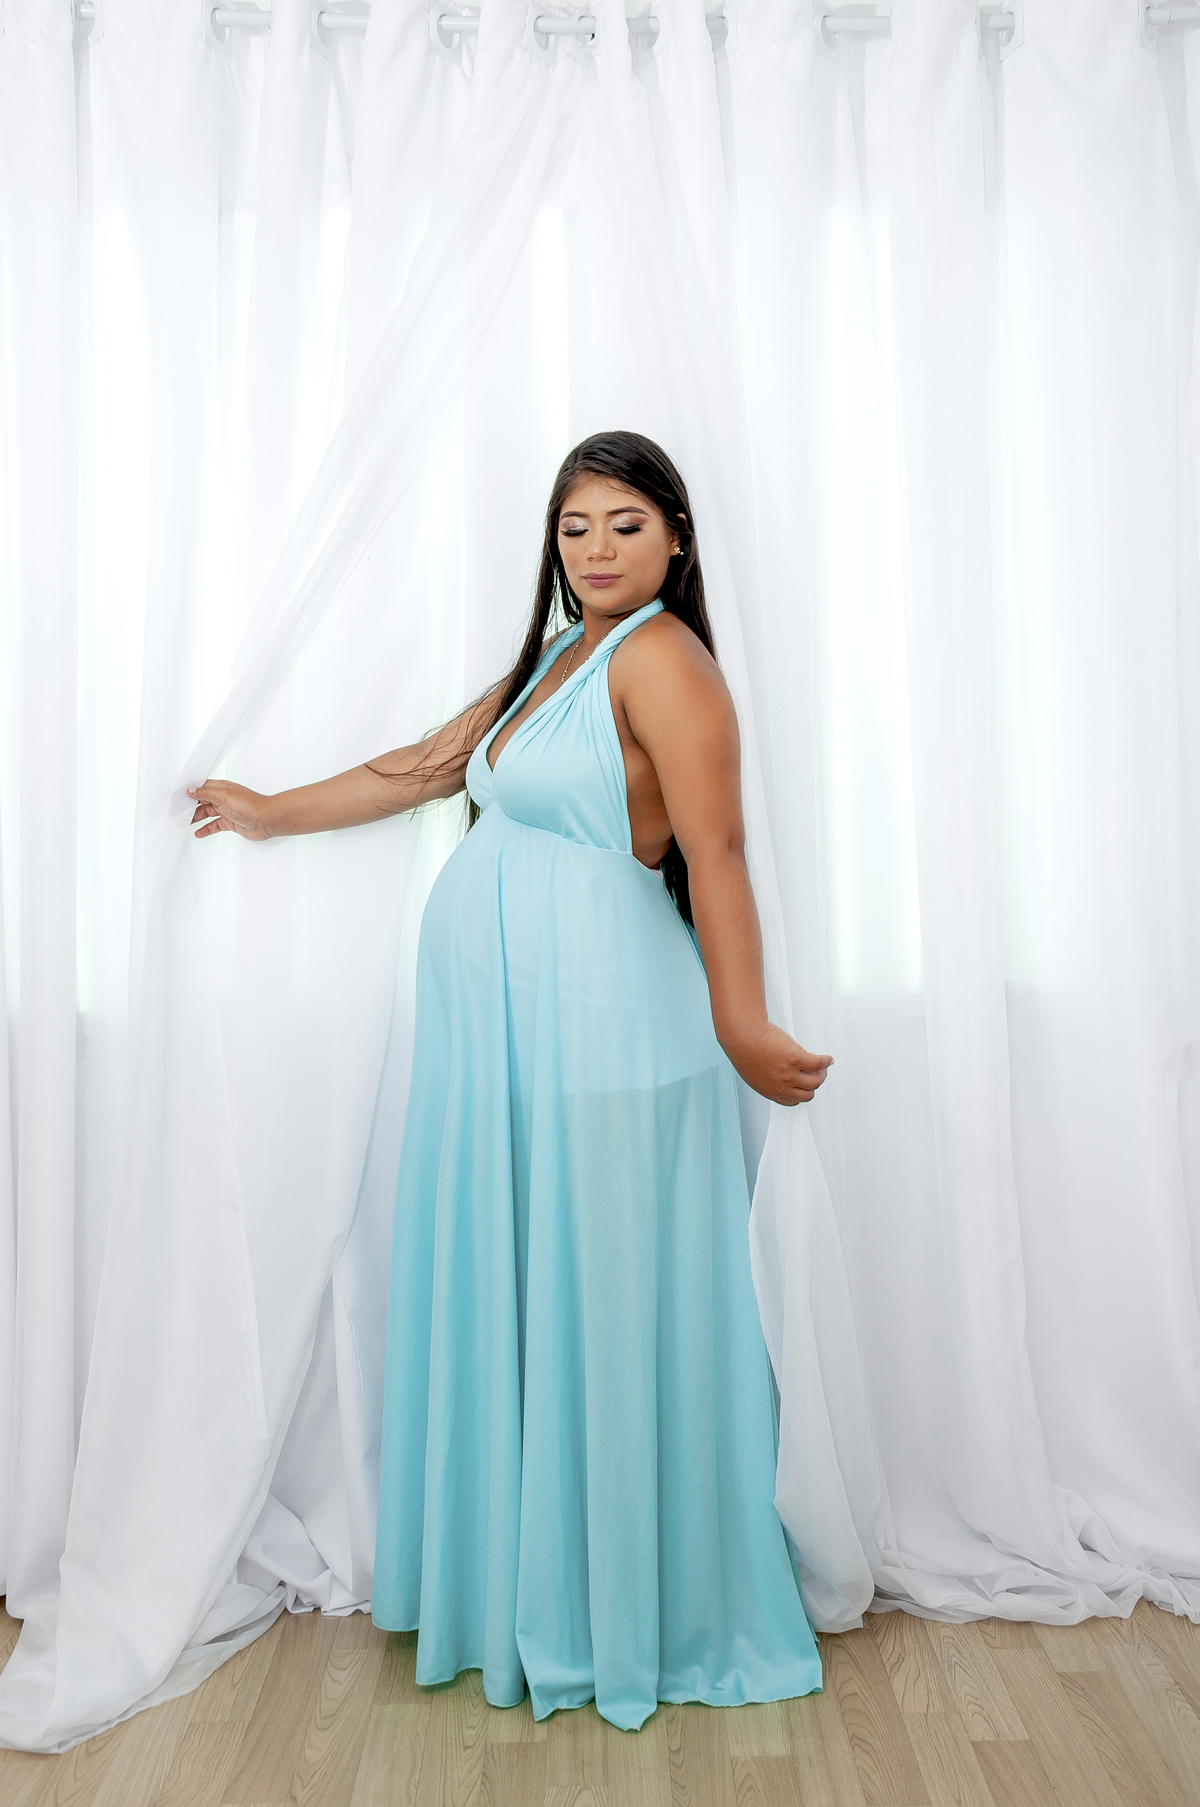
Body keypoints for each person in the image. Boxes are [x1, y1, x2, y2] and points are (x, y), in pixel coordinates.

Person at [188, 431, 832, 1731]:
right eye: (574, 527)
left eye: (625, 525)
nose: (595, 549)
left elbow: (715, 850)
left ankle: (626, 1610)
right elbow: (423, 769)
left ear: (676, 539)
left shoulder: (662, 659)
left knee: (603, 1310)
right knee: (541, 1301)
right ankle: (543, 1591)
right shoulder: (555, 660)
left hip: (608, 1036)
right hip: (511, 1050)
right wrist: (265, 810)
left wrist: (743, 1022)